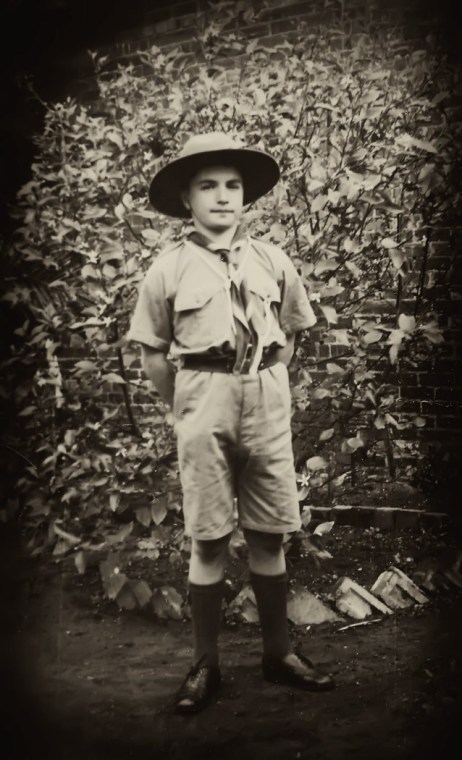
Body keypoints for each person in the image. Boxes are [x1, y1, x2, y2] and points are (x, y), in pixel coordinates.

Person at [127, 132, 335, 714]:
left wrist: (264, 379)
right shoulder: (168, 268)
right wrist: (190, 405)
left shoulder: (272, 260)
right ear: (186, 198)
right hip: (203, 395)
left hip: (264, 397)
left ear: (245, 196)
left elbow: (289, 334)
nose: (222, 196)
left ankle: (279, 653)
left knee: (269, 533)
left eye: (233, 186)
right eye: (208, 186)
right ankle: (205, 665)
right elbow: (152, 354)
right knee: (209, 536)